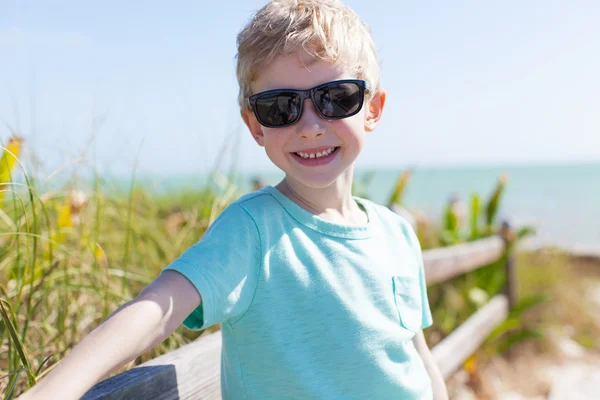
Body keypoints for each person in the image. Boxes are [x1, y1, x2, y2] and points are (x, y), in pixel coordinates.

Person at [20, 1, 448, 399]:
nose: (311, 125)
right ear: (255, 126)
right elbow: (157, 308)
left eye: (336, 98)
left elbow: (418, 357)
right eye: (281, 107)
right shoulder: (253, 232)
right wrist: (55, 390)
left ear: (373, 108)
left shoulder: (397, 234)